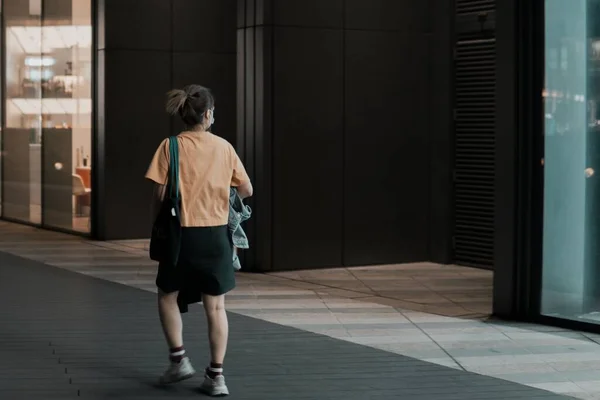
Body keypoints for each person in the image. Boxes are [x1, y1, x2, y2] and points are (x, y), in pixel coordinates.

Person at [145, 84, 253, 396]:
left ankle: (179, 361)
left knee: (167, 294)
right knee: (216, 307)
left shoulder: (170, 147)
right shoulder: (224, 148)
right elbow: (247, 190)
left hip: (181, 234)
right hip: (216, 236)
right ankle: (216, 378)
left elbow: (159, 193)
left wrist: (155, 223)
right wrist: (222, 191)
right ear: (207, 115)